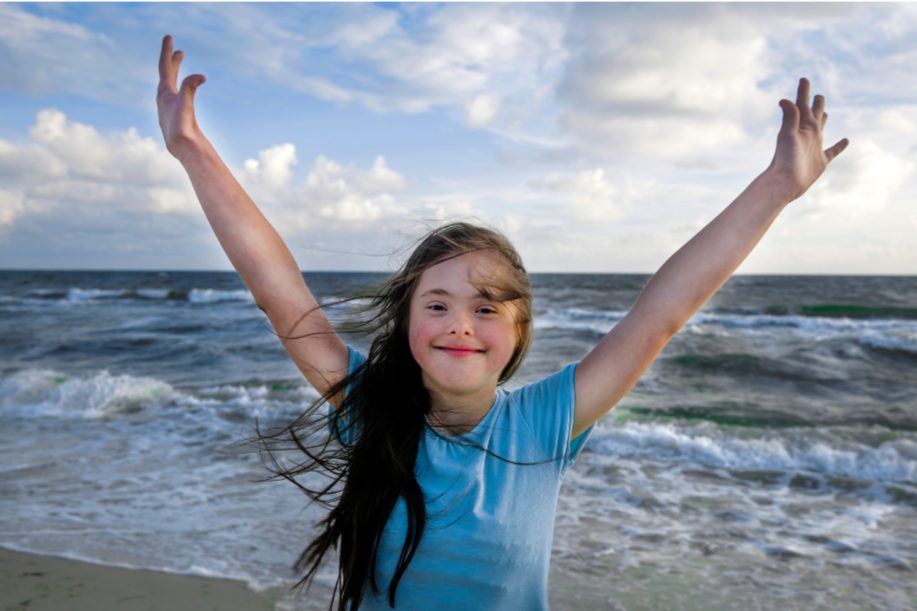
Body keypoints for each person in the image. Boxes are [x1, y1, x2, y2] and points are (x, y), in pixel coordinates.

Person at [156, 34, 848, 611]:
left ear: (518, 332)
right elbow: (279, 293)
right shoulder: (369, 408)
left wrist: (775, 188)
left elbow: (659, 313)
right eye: (438, 304)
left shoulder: (545, 421)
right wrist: (194, 150)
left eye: (486, 307)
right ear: (405, 325)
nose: (460, 324)